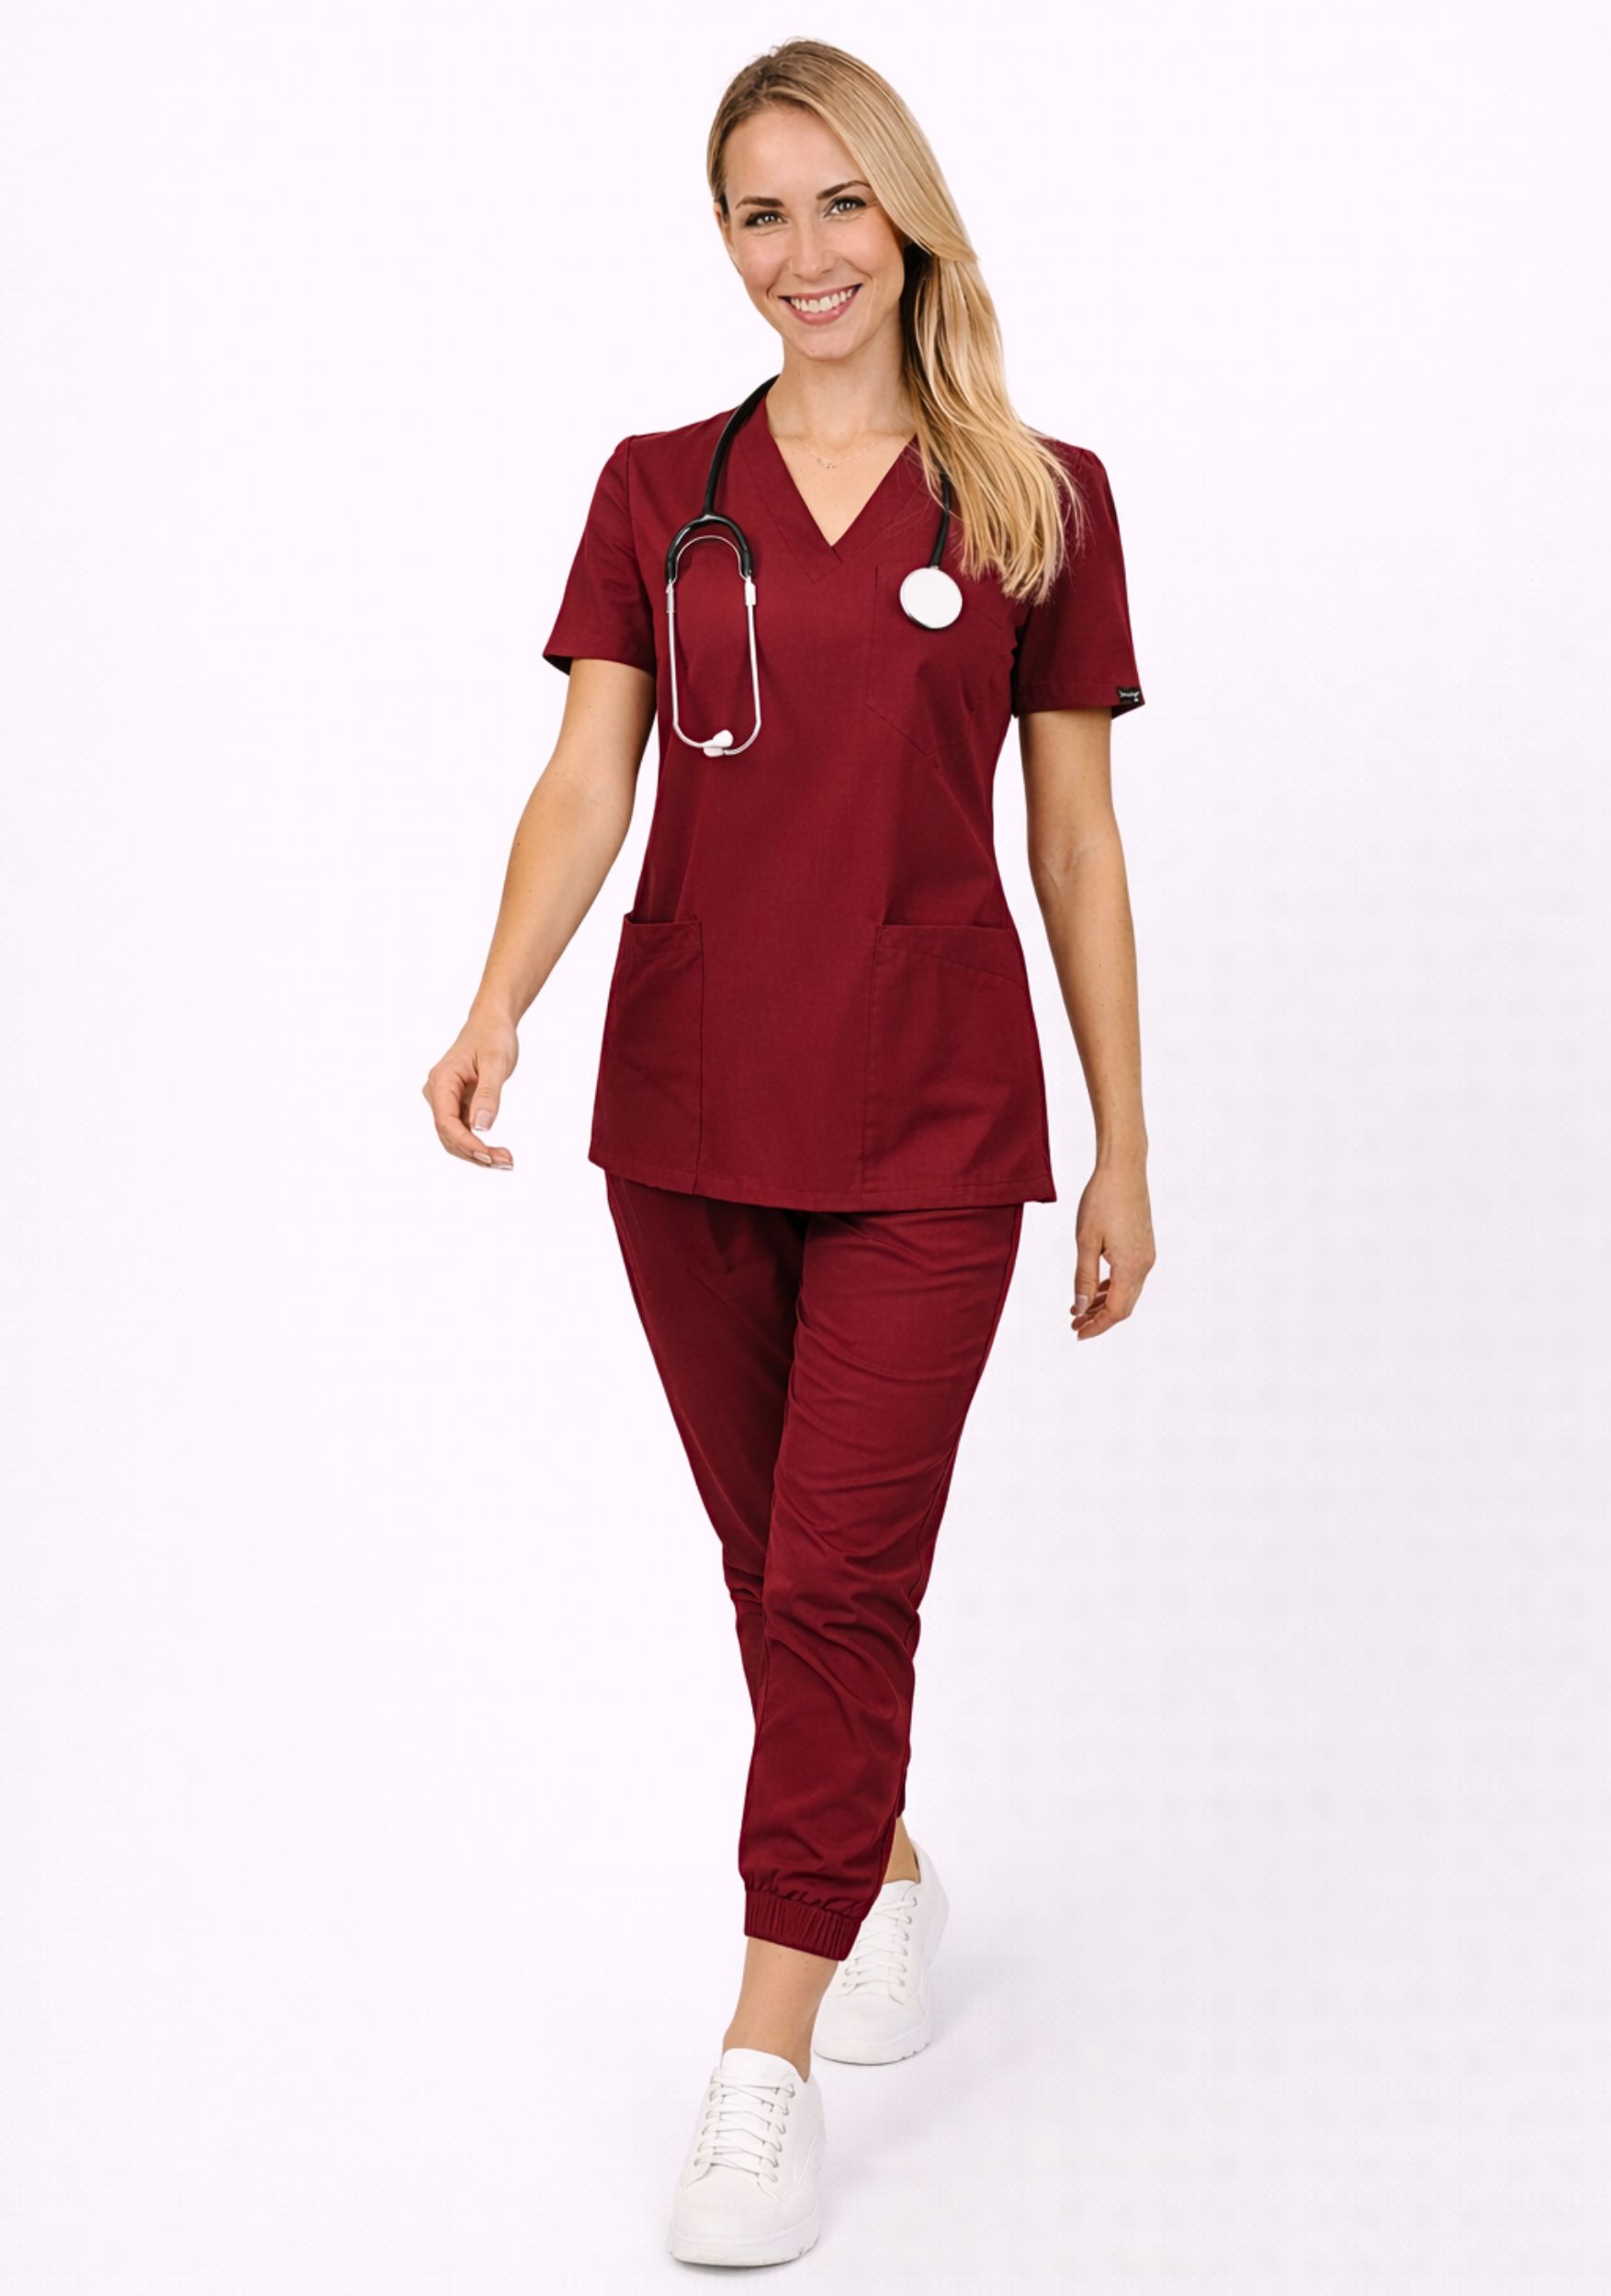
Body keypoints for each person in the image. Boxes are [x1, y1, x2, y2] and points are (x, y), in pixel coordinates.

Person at [422, 37, 1155, 2270]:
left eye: (842, 203)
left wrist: (1123, 1144)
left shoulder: (1035, 497)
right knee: (769, 1565)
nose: (804, 252)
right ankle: (879, 1860)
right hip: (689, 1100)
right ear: (722, 239)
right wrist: (497, 994)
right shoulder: (660, 489)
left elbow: (1072, 838)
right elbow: (590, 776)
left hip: (933, 1111)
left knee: (838, 1576)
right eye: (760, 212)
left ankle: (758, 2061)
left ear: (907, 220)